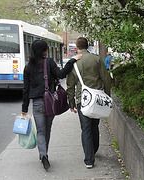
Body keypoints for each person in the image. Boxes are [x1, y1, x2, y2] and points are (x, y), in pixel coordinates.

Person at [22, 40, 82, 171]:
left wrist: (24, 108)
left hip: (37, 103)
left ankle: (43, 154)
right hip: (50, 102)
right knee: (47, 129)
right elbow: (61, 74)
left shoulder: (28, 67)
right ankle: (44, 154)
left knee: (41, 131)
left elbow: (25, 89)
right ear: (44, 51)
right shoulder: (49, 62)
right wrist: (72, 60)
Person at [67, 37, 111, 169]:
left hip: (82, 100)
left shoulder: (75, 62)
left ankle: (89, 160)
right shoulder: (97, 59)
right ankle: (94, 149)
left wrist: (71, 102)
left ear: (78, 47)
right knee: (94, 126)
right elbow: (106, 79)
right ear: (88, 46)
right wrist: (107, 96)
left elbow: (70, 85)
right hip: (96, 99)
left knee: (85, 129)